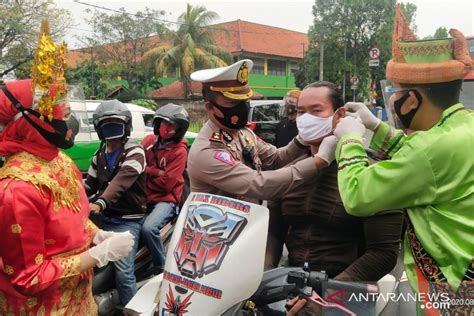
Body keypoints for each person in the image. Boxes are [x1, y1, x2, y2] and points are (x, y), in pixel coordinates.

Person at [329, 6, 473, 315]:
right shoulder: (462, 127)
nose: (391, 100)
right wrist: (374, 125)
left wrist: (350, 140)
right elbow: (422, 161)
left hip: (449, 288)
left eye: (395, 91)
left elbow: (356, 195)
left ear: (412, 100)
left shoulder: (428, 149)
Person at [267, 82, 403, 315]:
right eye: (301, 111)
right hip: (291, 283)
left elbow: (383, 253)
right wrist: (266, 278)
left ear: (340, 115)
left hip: (348, 289)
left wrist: (326, 296)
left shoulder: (372, 173)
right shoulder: (291, 173)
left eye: (316, 110)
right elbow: (274, 232)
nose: (305, 118)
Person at [188, 59, 335, 203]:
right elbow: (261, 185)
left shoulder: (243, 133)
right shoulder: (207, 151)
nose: (242, 108)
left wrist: (303, 137)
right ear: (210, 107)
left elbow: (276, 159)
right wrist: (318, 161)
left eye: (244, 101)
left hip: (250, 223)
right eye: (233, 103)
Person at [84, 99, 147, 306]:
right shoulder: (99, 154)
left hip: (127, 220)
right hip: (103, 219)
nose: (112, 130)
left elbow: (119, 183)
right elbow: (89, 185)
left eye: (116, 125)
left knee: (123, 271)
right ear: (100, 130)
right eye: (107, 126)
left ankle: (131, 309)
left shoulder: (136, 152)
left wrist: (99, 203)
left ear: (126, 127)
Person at [141, 103, 189, 270]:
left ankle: (161, 268)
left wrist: (147, 176)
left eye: (171, 125)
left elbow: (166, 184)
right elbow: (137, 167)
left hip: (166, 200)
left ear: (178, 129)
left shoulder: (179, 152)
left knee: (148, 228)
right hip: (144, 196)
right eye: (163, 123)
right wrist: (155, 171)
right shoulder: (148, 142)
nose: (165, 128)